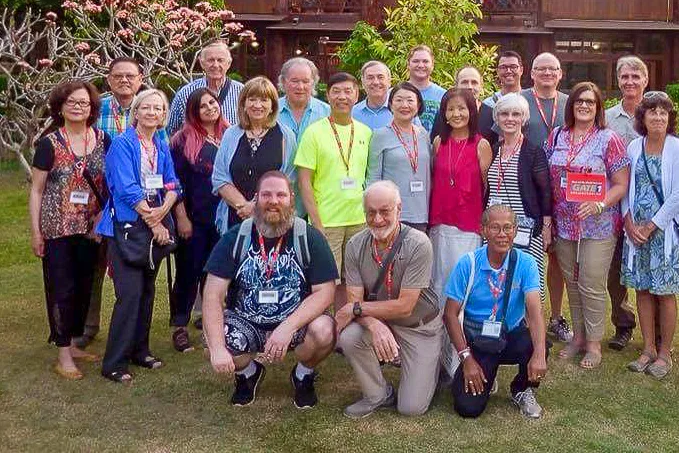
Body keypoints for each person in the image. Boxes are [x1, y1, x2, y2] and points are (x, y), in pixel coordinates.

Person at [202, 171, 337, 407]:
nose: (273, 201)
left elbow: (325, 292)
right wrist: (216, 348)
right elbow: (212, 295)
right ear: (256, 199)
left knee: (325, 329)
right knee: (214, 337)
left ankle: (303, 374)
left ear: (291, 199)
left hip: (295, 322)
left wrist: (288, 327)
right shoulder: (235, 238)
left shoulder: (309, 238)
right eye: (266, 195)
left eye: (280, 195)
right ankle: (248, 374)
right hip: (246, 320)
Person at [96, 89, 181, 383]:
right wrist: (155, 221)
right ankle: (114, 362)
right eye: (146, 107)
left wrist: (164, 210)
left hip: (154, 223)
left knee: (147, 292)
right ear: (136, 111)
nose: (152, 113)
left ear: (163, 115)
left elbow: (172, 183)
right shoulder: (122, 144)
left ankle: (140, 351)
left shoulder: (160, 142)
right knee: (129, 296)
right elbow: (126, 188)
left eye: (158, 109)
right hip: (128, 227)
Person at [336, 182, 441, 418]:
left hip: (419, 327)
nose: (378, 219)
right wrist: (374, 325)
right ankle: (378, 394)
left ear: (399, 210)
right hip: (382, 321)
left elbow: (405, 306)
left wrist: (355, 309)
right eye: (371, 212)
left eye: (385, 211)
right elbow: (354, 301)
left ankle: (437, 361)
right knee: (350, 336)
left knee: (411, 408)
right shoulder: (355, 245)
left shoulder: (419, 243)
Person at [79, 57, 163, 349]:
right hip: (97, 198)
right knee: (94, 265)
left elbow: (161, 159)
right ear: (109, 79)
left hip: (138, 207)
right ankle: (87, 326)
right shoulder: (96, 108)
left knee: (130, 270)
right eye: (118, 76)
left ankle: (130, 332)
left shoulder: (151, 108)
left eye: (131, 76)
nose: (124, 80)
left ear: (141, 78)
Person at [546, 81, 629, 369]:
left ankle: (594, 342)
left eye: (590, 102)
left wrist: (600, 203)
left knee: (592, 283)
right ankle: (578, 337)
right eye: (579, 100)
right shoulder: (557, 135)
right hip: (565, 224)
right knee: (573, 282)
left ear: (598, 107)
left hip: (599, 224)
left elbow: (621, 184)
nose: (584, 105)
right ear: (572, 105)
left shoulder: (609, 139)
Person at [29, 81, 108, 379]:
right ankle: (63, 353)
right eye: (72, 102)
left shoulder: (102, 140)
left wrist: (103, 214)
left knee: (85, 285)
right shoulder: (49, 143)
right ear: (60, 107)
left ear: (92, 108)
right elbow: (36, 190)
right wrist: (36, 232)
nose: (78, 107)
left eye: (84, 103)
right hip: (57, 226)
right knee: (61, 288)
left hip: (90, 229)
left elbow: (108, 183)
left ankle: (74, 343)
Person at [444, 205, 547, 419]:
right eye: (495, 228)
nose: (502, 234)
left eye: (508, 227)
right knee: (468, 409)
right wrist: (467, 359)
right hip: (479, 341)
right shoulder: (468, 264)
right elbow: (450, 315)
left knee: (537, 344)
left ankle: (521, 388)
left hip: (509, 335)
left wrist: (539, 354)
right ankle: (481, 375)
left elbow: (535, 312)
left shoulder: (526, 263)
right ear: (483, 230)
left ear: (516, 230)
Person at [621, 92, 679, 379]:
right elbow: (624, 188)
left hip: (663, 235)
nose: (658, 117)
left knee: (665, 292)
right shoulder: (634, 148)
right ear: (643, 118)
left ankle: (664, 353)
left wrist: (651, 227)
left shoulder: (678, 149)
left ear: (669, 118)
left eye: (663, 113)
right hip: (635, 234)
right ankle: (648, 348)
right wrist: (629, 223)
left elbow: (678, 196)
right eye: (652, 112)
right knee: (644, 290)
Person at [295, 72, 372, 310]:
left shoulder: (365, 132)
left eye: (348, 91)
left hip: (359, 220)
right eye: (336, 92)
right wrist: (316, 222)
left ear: (357, 95)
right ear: (327, 95)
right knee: (326, 280)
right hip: (327, 220)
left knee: (352, 280)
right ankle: (320, 326)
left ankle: (342, 327)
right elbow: (304, 181)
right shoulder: (314, 132)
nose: (342, 97)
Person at [169, 88, 229, 352]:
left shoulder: (231, 135)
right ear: (193, 111)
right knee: (188, 272)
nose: (209, 108)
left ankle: (210, 325)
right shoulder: (182, 141)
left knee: (215, 275)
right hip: (194, 219)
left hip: (224, 219)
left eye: (212, 103)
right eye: (202, 105)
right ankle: (179, 327)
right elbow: (175, 183)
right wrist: (181, 217)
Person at [520, 52, 571, 344]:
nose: (547, 73)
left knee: (557, 257)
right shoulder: (521, 101)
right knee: (529, 252)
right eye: (541, 69)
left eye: (552, 69)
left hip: (564, 188)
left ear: (560, 73)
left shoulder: (569, 103)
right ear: (532, 73)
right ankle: (525, 316)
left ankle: (555, 316)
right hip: (530, 187)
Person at [485, 92, 552, 301]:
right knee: (496, 282)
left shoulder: (533, 152)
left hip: (525, 230)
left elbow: (545, 192)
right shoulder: (493, 150)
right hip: (496, 228)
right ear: (497, 118)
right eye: (504, 114)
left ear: (523, 119)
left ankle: (530, 330)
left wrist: (547, 228)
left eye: (516, 114)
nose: (510, 119)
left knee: (527, 284)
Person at [429, 88, 493, 304]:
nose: (457, 114)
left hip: (468, 223)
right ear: (444, 113)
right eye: (451, 109)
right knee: (438, 278)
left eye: (462, 108)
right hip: (440, 221)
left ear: (471, 111)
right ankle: (438, 330)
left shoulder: (481, 145)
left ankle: (462, 331)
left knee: (463, 279)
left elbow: (486, 187)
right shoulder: (438, 142)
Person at [212, 77, 297, 235]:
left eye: (264, 100)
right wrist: (244, 206)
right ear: (243, 104)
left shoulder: (286, 135)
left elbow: (289, 177)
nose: (257, 105)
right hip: (236, 217)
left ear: (272, 106)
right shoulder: (231, 134)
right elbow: (219, 177)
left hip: (273, 218)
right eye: (252, 99)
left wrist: (255, 206)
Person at [604, 55, 648, 351]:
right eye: (625, 77)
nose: (630, 82)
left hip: (649, 208)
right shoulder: (607, 118)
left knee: (648, 270)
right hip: (614, 206)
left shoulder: (657, 112)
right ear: (618, 81)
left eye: (636, 76)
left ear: (645, 80)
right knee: (615, 272)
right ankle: (623, 323)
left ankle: (656, 330)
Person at [366, 83, 431, 231]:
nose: (404, 105)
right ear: (390, 104)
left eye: (410, 100)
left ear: (418, 104)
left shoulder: (423, 135)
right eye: (399, 100)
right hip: (391, 214)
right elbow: (373, 178)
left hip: (421, 213)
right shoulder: (380, 135)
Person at [167, 41, 244, 134]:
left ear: (229, 63)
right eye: (211, 60)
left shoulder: (242, 92)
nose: (215, 65)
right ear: (202, 63)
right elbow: (171, 131)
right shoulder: (186, 93)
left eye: (220, 60)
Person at [277, 57, 331, 142]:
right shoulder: (271, 110)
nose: (300, 87)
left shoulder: (327, 113)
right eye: (294, 81)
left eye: (305, 81)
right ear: (283, 81)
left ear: (313, 82)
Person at [406, 45, 445, 132]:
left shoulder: (443, 95)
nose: (420, 65)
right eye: (416, 61)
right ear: (408, 64)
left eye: (425, 61)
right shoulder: (395, 94)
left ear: (432, 65)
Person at [353, 60, 393, 130]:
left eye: (380, 77)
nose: (376, 82)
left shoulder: (405, 110)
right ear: (362, 83)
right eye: (370, 78)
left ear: (389, 81)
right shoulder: (353, 114)